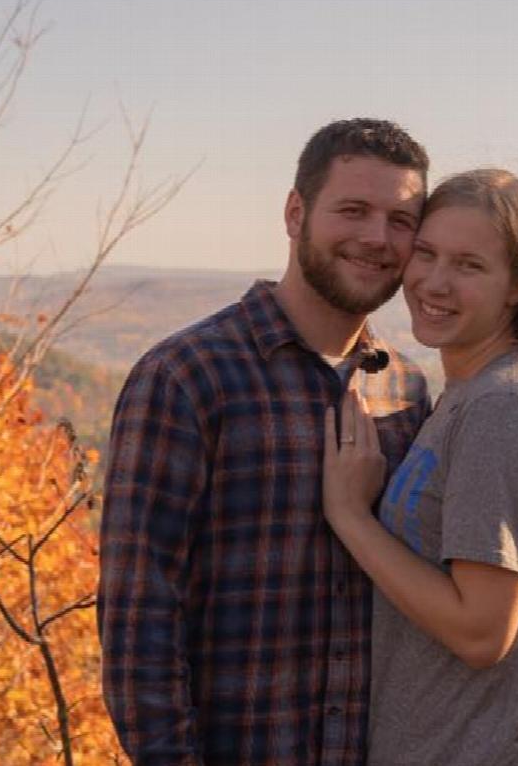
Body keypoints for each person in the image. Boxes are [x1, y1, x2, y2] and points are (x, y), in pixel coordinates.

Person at [98, 118, 431, 765]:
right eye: (353, 211)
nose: (376, 237)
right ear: (295, 213)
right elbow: (140, 622)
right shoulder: (188, 377)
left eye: (400, 220)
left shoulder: (406, 391)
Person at [322, 169, 518, 766]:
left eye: (469, 265)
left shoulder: (505, 406)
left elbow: (481, 632)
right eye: (426, 253)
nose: (435, 282)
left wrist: (351, 516)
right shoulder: (468, 392)